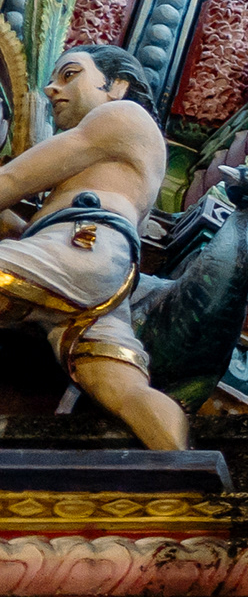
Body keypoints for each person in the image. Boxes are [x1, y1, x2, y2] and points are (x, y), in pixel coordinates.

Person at [0, 38, 185, 451]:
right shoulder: (112, 162)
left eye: (70, 75)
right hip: (98, 264)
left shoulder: (122, 115)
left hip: (79, 244)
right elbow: (33, 229)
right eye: (52, 81)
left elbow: (12, 181)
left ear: (116, 85)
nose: (52, 90)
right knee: (120, 384)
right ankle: (180, 473)